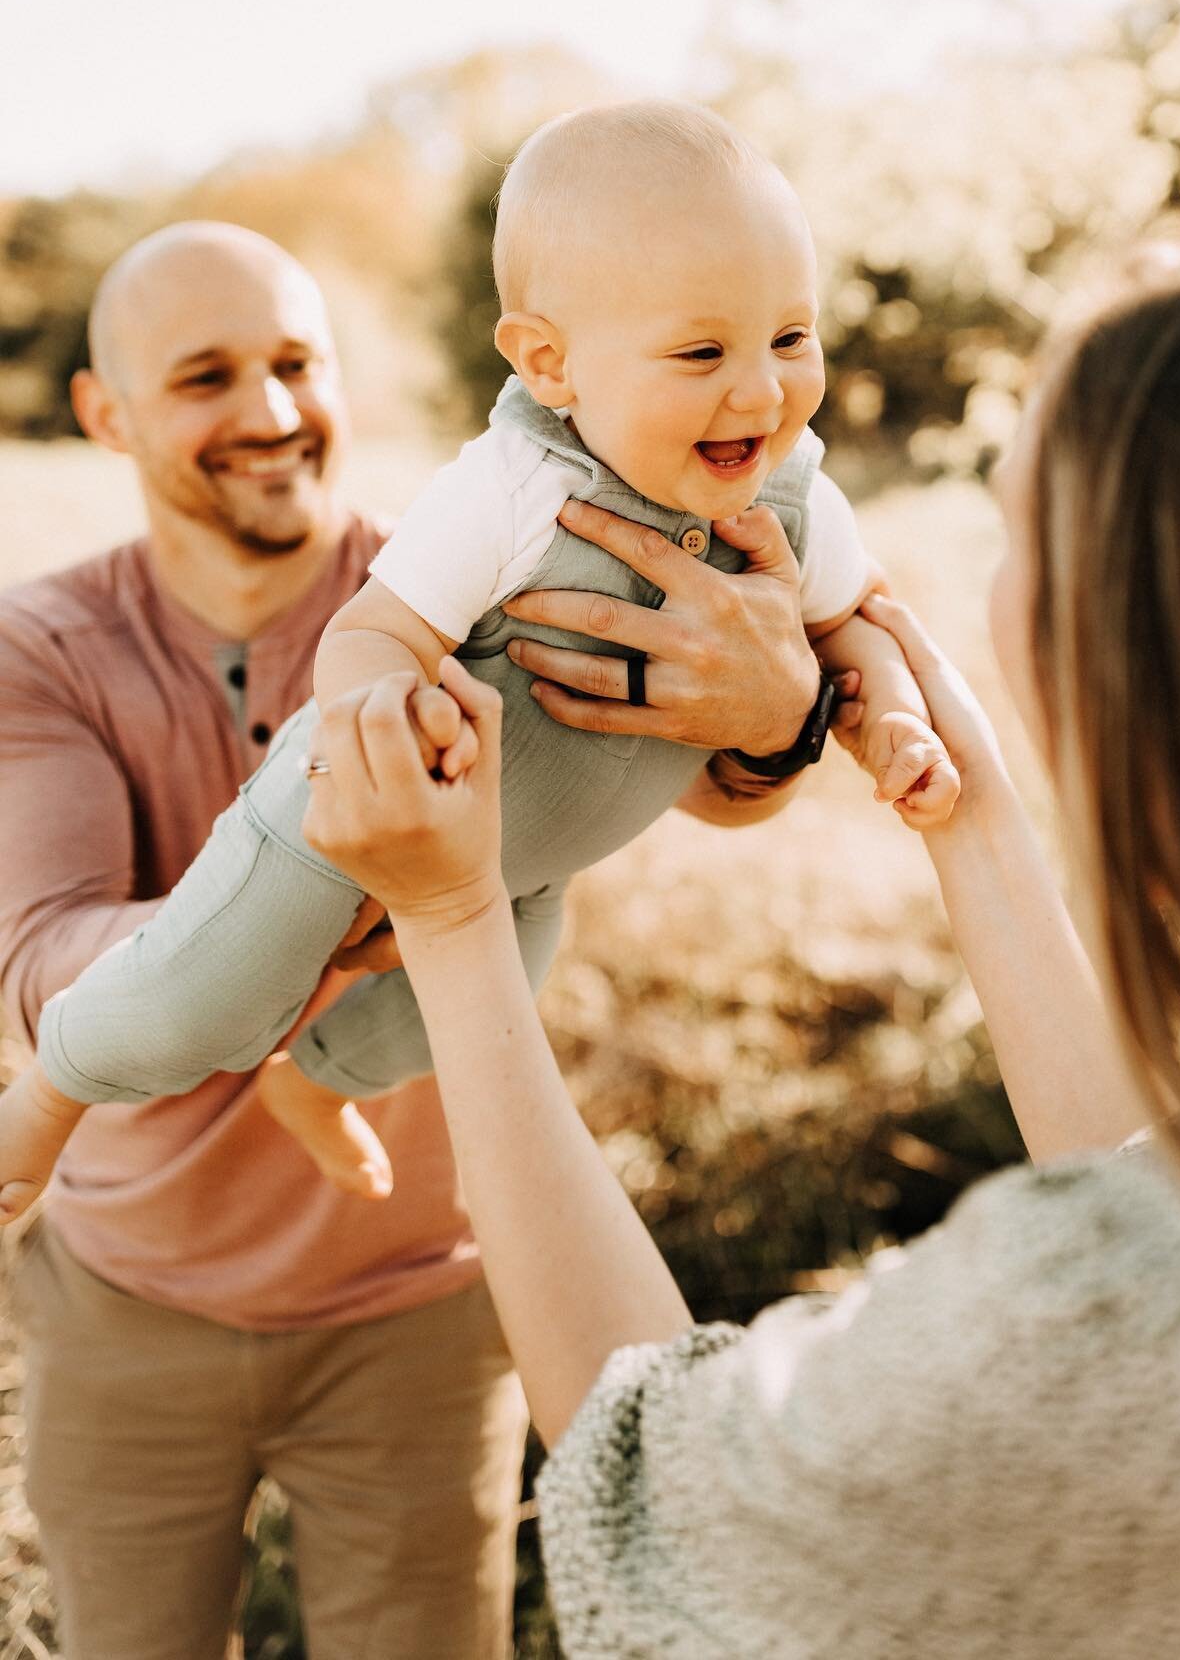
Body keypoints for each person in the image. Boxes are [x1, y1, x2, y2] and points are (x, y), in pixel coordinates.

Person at [303, 251, 1180, 1656]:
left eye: (1013, 533)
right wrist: (976, 827)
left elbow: (656, 1502)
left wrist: (457, 923)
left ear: (1128, 648)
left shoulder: (1094, 1329)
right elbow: (1178, 1210)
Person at [0, 220, 832, 1660]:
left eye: (296, 363)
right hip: (128, 1303)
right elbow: (40, 952)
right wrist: (310, 923)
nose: (269, 412)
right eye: (208, 376)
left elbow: (707, 784)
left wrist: (784, 714)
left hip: (425, 1305)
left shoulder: (472, 573)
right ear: (105, 414)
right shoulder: (43, 645)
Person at [3, 102, 955, 1206]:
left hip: (524, 873)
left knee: (461, 1017)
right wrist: (378, 751)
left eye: (791, 338)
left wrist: (884, 719)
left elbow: (854, 623)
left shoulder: (795, 497)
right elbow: (372, 633)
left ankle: (317, 1087)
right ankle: (54, 1090)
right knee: (193, 1004)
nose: (762, 390)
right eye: (703, 352)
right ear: (549, 364)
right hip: (372, 813)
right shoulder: (512, 489)